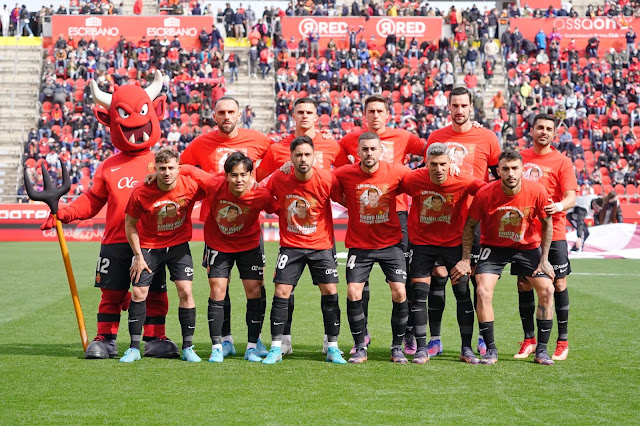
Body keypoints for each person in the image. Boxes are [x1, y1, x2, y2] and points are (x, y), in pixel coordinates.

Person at [40, 72, 179, 360]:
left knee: (155, 295)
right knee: (111, 294)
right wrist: (63, 213)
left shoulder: (163, 164)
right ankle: (106, 339)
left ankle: (155, 338)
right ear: (109, 122)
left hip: (153, 243)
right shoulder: (109, 166)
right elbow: (92, 200)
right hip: (115, 241)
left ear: (157, 112)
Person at [255, 97, 350, 355]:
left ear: (317, 116)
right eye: (301, 112)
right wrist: (278, 209)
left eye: (310, 112)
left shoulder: (333, 147)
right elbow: (256, 182)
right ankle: (282, 341)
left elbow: (349, 176)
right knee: (285, 289)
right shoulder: (277, 151)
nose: (305, 116)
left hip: (321, 238)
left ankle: (331, 343)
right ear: (292, 115)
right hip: (292, 239)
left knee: (331, 290)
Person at [180, 96, 272, 358]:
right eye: (222, 112)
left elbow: (277, 158)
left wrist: (264, 181)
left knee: (255, 286)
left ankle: (256, 342)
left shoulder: (258, 139)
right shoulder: (200, 144)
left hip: (248, 225)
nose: (227, 116)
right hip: (217, 230)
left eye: (231, 111)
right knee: (219, 286)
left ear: (240, 114)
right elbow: (184, 168)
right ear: (214, 115)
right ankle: (225, 340)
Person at [451, 149, 556, 365]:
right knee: (482, 290)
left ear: (522, 170)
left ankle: (542, 351)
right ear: (498, 170)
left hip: (527, 247)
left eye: (515, 168)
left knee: (547, 289)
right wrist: (465, 259)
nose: (510, 173)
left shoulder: (537, 191)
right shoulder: (485, 193)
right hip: (494, 247)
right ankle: (490, 350)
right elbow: (470, 225)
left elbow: (547, 224)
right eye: (505, 169)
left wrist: (544, 259)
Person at [339, 95, 426, 356]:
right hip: (363, 228)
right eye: (371, 111)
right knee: (357, 288)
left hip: (396, 220)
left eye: (380, 111)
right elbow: (330, 175)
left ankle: (405, 335)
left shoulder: (403, 138)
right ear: (364, 114)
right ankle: (361, 337)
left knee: (403, 285)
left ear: (388, 114)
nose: (376, 115)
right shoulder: (348, 142)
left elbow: (430, 153)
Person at [424, 86, 501, 357]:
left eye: (463, 106)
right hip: (442, 219)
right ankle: (435, 339)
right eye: (454, 106)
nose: (459, 111)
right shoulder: (436, 137)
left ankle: (480, 337)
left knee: (476, 280)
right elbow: (428, 172)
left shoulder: (487, 137)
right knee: (438, 276)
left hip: (475, 219)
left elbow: (496, 178)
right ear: (448, 107)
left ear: (471, 108)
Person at [399, 143, 486, 364]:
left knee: (463, 294)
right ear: (426, 163)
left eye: (443, 164)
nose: (439, 169)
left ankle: (466, 349)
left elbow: (489, 193)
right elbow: (389, 186)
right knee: (418, 295)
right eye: (434, 164)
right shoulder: (413, 178)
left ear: (451, 164)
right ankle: (421, 348)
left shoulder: (464, 180)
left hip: (454, 246)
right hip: (422, 246)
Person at [333, 132, 410, 364]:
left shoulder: (398, 171)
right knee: (353, 292)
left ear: (380, 151)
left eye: (373, 149)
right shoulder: (344, 173)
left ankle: (397, 347)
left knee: (400, 292)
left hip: (391, 244)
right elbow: (326, 184)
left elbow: (424, 179)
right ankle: (360, 346)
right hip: (360, 245)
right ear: (358, 152)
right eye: (364, 149)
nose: (369, 153)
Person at [122, 147, 204, 363]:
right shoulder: (141, 191)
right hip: (149, 247)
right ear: (155, 169)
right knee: (139, 293)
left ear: (178, 168)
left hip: (178, 246)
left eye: (171, 168)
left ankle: (188, 347)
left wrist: (189, 169)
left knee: (186, 291)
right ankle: (133, 348)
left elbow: (216, 185)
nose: (167, 172)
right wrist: (138, 256)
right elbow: (129, 224)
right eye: (162, 168)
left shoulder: (190, 186)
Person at [515, 114, 577, 361]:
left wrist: (559, 205)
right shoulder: (520, 158)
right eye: (539, 127)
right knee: (523, 284)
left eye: (548, 129)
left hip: (555, 232)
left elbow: (571, 197)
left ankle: (562, 341)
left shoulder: (562, 162)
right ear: (531, 131)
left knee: (559, 284)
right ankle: (529, 340)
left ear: (554, 135)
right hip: (526, 234)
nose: (543, 131)